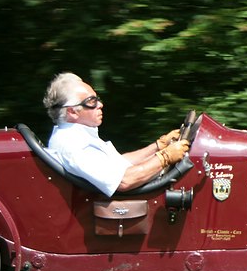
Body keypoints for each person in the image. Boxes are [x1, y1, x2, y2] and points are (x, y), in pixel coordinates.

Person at [42, 72, 190, 197]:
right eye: (91, 101)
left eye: (97, 98)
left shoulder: (76, 136)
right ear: (72, 111)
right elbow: (124, 180)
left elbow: (120, 163)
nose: (100, 105)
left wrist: (159, 146)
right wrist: (165, 157)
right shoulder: (73, 145)